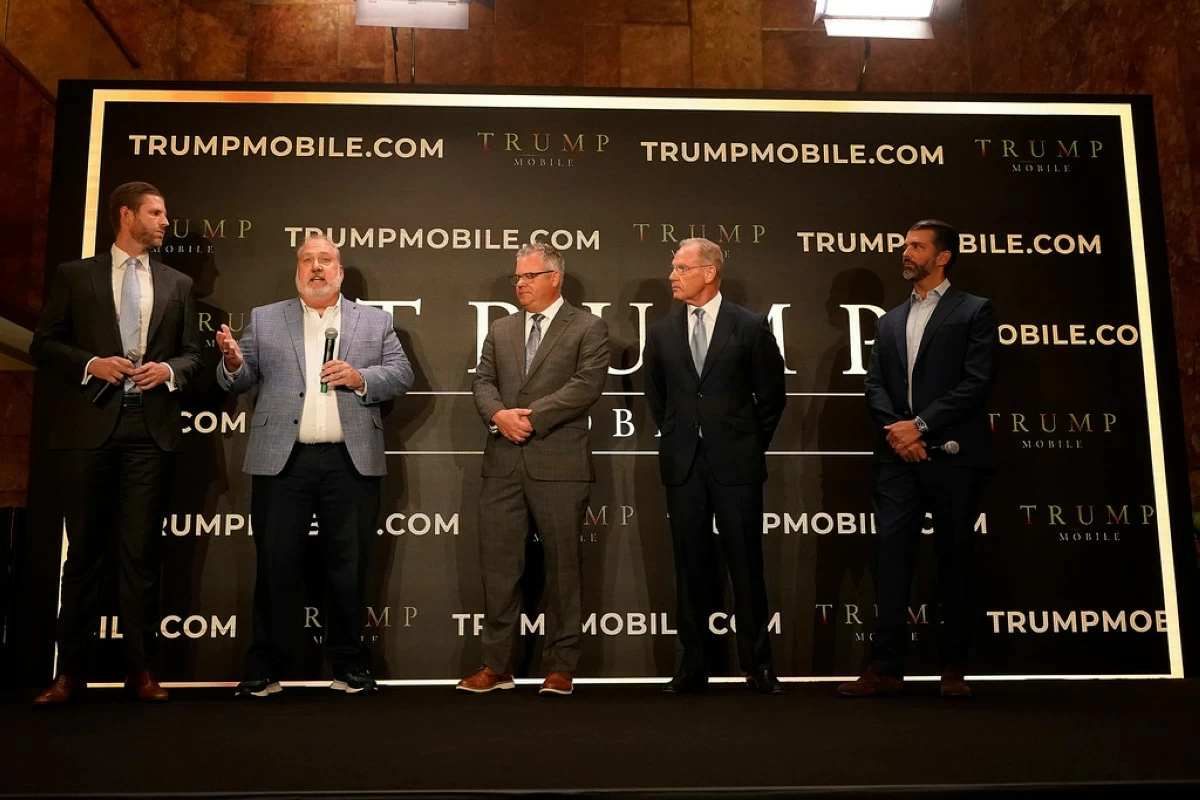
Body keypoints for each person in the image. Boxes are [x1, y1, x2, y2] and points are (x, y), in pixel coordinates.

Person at [215, 234, 413, 698]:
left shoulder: (374, 320)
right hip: (283, 462)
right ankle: (266, 666)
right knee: (274, 565)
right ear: (297, 272)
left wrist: (360, 377)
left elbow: (401, 374)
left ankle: (349, 664)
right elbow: (241, 377)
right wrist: (231, 361)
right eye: (308, 260)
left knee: (350, 566)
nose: (317, 267)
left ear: (340, 272)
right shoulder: (265, 319)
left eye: (326, 260)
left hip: (350, 462)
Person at [30, 181, 203, 705]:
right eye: (155, 213)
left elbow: (194, 354)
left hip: (150, 432)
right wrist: (90, 364)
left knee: (141, 556)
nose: (164, 222)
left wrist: (168, 370)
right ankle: (70, 675)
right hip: (89, 429)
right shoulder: (74, 275)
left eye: (165, 214)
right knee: (83, 555)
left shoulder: (178, 283)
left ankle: (141, 672)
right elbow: (43, 342)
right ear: (126, 216)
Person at [838, 219, 997, 699]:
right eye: (905, 245)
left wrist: (921, 426)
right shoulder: (888, 321)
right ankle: (886, 667)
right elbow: (874, 384)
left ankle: (953, 670)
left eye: (917, 246)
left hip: (951, 456)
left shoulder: (974, 311)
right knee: (892, 559)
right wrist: (899, 432)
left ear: (943, 256)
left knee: (953, 560)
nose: (905, 253)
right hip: (896, 457)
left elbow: (976, 382)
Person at [456, 242, 609, 697]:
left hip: (559, 463)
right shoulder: (501, 330)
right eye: (516, 277)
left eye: (529, 276)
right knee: (500, 568)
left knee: (564, 569)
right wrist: (498, 415)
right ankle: (496, 665)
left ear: (554, 277)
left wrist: (529, 417)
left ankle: (561, 666)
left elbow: (586, 386)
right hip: (503, 463)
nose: (520, 283)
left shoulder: (588, 327)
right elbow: (482, 381)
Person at [644, 237, 787, 695]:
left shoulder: (749, 325)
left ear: (709, 272)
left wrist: (744, 443)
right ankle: (693, 666)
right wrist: (684, 434)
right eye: (673, 267)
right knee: (690, 566)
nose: (673, 276)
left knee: (746, 564)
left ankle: (759, 666)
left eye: (682, 268)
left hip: (736, 464)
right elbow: (657, 397)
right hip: (683, 463)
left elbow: (772, 397)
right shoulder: (662, 331)